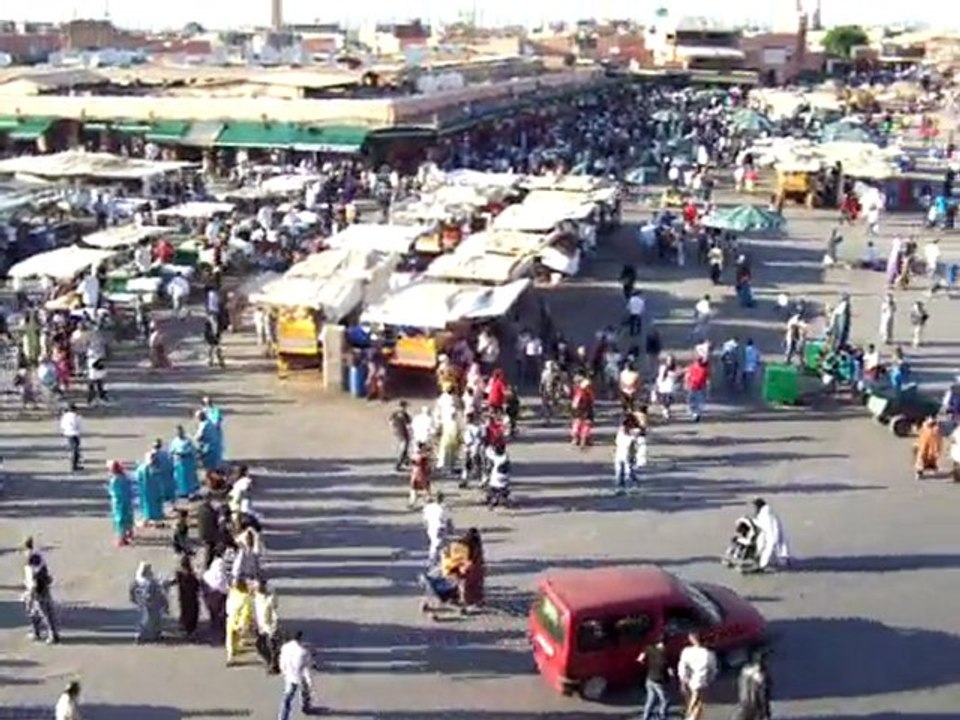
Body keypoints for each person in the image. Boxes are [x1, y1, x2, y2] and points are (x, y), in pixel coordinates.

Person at [23, 539, 60, 644]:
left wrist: (32, 590)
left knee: (44, 611)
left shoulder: (32, 557)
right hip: (38, 587)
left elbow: (35, 574)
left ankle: (53, 634)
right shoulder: (36, 554)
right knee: (34, 612)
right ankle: (37, 632)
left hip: (38, 589)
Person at [677, 633, 717, 720]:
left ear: (691, 639)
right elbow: (712, 670)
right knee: (697, 704)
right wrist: (710, 680)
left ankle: (689, 716)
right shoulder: (708, 654)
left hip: (687, 681)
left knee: (690, 702)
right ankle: (690, 717)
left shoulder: (686, 651)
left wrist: (682, 680)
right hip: (700, 682)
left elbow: (682, 667)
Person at [129, 561, 168, 643]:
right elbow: (157, 593)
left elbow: (132, 591)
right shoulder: (150, 582)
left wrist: (134, 599)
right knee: (153, 620)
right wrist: (163, 603)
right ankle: (153, 635)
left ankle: (143, 635)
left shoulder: (137, 580)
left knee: (143, 620)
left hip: (142, 604)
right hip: (152, 604)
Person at [278, 630, 314, 720]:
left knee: (288, 696)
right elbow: (307, 666)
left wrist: (284, 671)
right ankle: (305, 708)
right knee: (305, 692)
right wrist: (309, 680)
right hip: (300, 675)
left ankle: (283, 717)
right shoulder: (303, 652)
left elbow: (282, 662)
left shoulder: (285, 647)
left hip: (289, 674)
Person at [638, 636, 671, 720]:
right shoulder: (665, 654)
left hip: (649, 678)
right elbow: (668, 669)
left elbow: (640, 659)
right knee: (665, 700)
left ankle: (645, 716)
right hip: (659, 680)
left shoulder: (648, 648)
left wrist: (647, 664)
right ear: (665, 643)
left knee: (650, 699)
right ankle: (662, 715)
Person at [732, 652, 772, 720]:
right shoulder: (761, 677)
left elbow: (740, 687)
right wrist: (766, 712)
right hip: (755, 707)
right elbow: (763, 696)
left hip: (745, 704)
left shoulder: (744, 671)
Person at [753, 498, 790, 571]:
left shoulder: (765, 513)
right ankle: (779, 562)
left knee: (768, 549)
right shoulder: (768, 511)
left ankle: (762, 566)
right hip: (772, 533)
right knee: (778, 548)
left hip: (771, 534)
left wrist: (754, 521)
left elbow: (764, 525)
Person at [254, 578, 281, 674]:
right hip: (260, 625)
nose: (257, 588)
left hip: (270, 627)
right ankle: (269, 661)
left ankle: (273, 665)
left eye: (259, 587)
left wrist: (274, 627)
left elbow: (274, 614)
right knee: (259, 645)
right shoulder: (257, 596)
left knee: (272, 647)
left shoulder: (270, 598)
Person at [226, 579, 255, 665]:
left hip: (231, 619)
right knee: (237, 636)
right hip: (240, 621)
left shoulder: (232, 593)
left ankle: (230, 655)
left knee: (230, 638)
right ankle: (236, 648)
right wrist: (244, 623)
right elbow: (246, 612)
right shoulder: (246, 598)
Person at [107, 460, 134, 547]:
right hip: (127, 501)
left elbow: (114, 492)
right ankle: (129, 532)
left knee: (119, 520)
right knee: (128, 517)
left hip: (119, 502)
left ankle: (121, 539)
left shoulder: (114, 480)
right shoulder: (125, 477)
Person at [203, 553, 229, 642]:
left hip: (211, 597)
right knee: (221, 617)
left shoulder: (209, 574)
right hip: (220, 598)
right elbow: (225, 587)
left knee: (214, 617)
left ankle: (215, 634)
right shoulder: (222, 574)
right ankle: (221, 635)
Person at [174, 554, 201, 640]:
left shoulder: (179, 575)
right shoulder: (192, 576)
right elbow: (197, 586)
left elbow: (174, 581)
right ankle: (191, 631)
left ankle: (186, 629)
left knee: (185, 613)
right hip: (192, 599)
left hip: (183, 598)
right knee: (192, 614)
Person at [135, 452, 165, 526]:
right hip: (150, 491)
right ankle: (151, 519)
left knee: (151, 505)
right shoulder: (152, 468)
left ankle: (152, 519)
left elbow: (137, 477)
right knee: (150, 505)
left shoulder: (152, 468)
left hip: (151, 491)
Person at [170, 426, 200, 499]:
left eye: (180, 432)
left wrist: (186, 453)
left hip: (187, 462)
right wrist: (174, 455)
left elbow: (193, 449)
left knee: (189, 478)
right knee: (180, 477)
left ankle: (191, 492)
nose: (179, 433)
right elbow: (171, 451)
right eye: (177, 432)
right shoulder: (175, 441)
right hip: (179, 462)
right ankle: (182, 492)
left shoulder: (187, 441)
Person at [614, 414, 641, 495]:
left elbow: (633, 442)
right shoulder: (621, 431)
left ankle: (633, 485)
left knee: (628, 472)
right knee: (619, 472)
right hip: (619, 454)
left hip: (628, 455)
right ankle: (620, 488)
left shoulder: (635, 432)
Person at [423, 491, 452, 565]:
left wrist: (427, 527)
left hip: (431, 528)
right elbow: (448, 520)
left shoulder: (428, 507)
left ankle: (433, 559)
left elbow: (425, 520)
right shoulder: (443, 507)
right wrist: (450, 529)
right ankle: (437, 560)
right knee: (440, 544)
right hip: (440, 528)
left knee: (434, 543)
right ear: (442, 498)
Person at [685, 357, 710, 423]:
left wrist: (707, 387)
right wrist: (687, 383)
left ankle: (696, 414)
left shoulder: (704, 369)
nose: (698, 362)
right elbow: (688, 375)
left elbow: (707, 379)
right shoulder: (693, 367)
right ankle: (694, 412)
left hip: (699, 387)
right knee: (692, 400)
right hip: (693, 386)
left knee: (697, 401)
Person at [389, 400, 412, 471]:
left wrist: (394, 430)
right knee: (404, 449)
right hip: (403, 433)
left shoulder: (394, 413)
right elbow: (409, 424)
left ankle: (406, 461)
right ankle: (398, 465)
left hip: (398, 433)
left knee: (404, 448)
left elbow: (390, 422)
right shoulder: (405, 414)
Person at [60, 404, 83, 472]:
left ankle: (74, 461)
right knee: (75, 449)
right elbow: (79, 425)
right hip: (75, 433)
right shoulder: (76, 416)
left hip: (67, 433)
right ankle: (74, 465)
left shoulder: (65, 416)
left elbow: (62, 425)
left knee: (72, 447)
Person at [409, 441, 432, 508]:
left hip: (416, 474)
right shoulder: (423, 456)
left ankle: (412, 502)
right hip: (422, 474)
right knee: (424, 488)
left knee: (414, 488)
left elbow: (411, 462)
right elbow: (428, 464)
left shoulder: (415, 455)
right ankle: (426, 500)